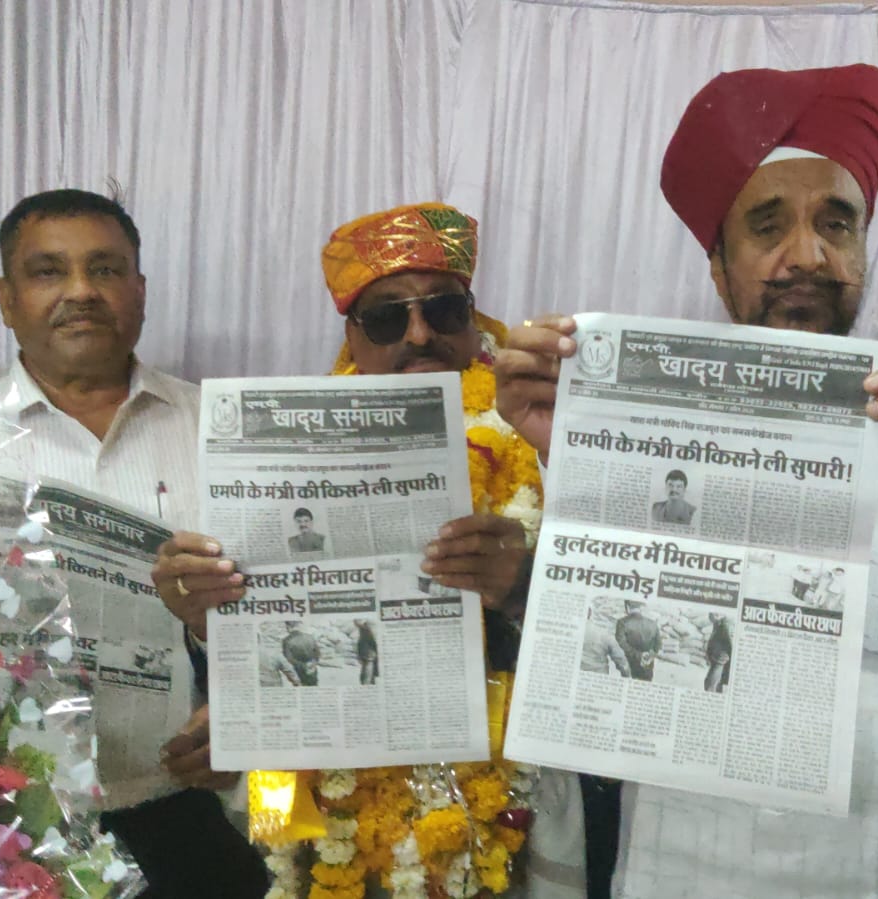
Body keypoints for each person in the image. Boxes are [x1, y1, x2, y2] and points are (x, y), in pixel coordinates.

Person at [495, 64, 878, 898]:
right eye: (768, 226)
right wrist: (567, 451)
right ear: (718, 268)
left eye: (837, 223)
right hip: (684, 871)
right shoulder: (644, 427)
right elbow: (602, 662)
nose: (808, 255)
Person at [152, 203, 578, 898]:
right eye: (385, 318)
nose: (419, 334)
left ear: (472, 318)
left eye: (443, 309)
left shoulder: (546, 437)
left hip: (514, 819)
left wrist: (524, 582)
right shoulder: (278, 463)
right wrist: (207, 628)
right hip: (333, 823)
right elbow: (267, 671)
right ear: (351, 336)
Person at [0, 189, 266, 898]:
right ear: (6, 299)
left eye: (105, 269)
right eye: (48, 271)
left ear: (140, 290)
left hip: (186, 816)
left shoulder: (229, 436)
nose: (81, 291)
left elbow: (295, 617)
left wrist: (250, 718)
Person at [614, 600, 661, 682]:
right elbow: (658, 645)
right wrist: (650, 657)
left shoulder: (622, 622)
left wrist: (639, 655)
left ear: (627, 607)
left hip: (630, 664)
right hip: (647, 665)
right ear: (640, 608)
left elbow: (620, 643)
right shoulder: (653, 623)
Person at [581, 606, 632, 677]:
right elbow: (621, 660)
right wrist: (626, 675)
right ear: (590, 613)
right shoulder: (603, 634)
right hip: (599, 676)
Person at [280, 621, 321, 686]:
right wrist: (312, 664)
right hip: (312, 669)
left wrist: (303, 666)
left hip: (298, 671)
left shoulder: (286, 640)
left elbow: (289, 659)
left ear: (288, 627)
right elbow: (317, 654)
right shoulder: (310, 637)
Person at [703, 612, 731, 692]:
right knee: (710, 684)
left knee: (710, 685)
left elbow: (729, 645)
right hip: (715, 659)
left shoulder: (723, 627)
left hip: (719, 660)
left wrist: (722, 657)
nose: (710, 617)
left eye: (712, 616)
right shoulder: (717, 625)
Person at [354, 618, 378, 685]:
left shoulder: (366, 629)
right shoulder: (363, 630)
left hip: (369, 656)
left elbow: (373, 642)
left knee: (367, 677)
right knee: (366, 676)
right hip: (366, 655)